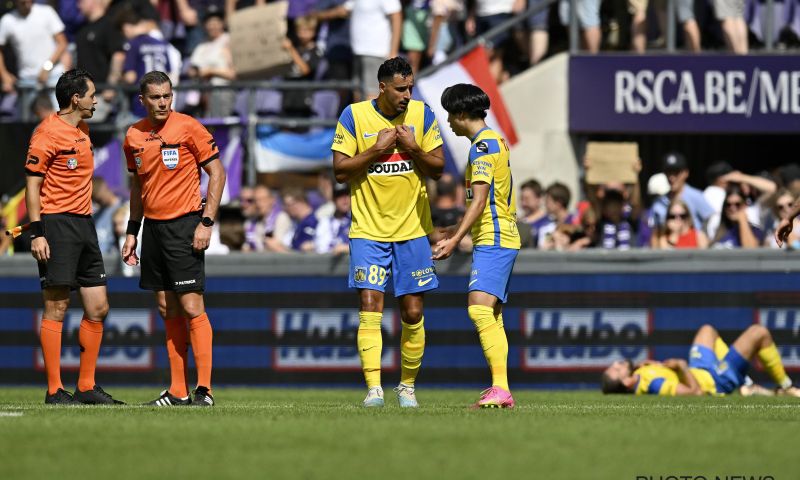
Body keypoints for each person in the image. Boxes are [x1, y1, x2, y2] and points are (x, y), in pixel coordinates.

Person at [331, 56, 444, 407]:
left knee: (412, 313)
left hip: (412, 230)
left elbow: (438, 169)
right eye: (400, 89)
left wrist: (412, 148)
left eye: (410, 87)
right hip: (367, 229)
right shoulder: (354, 115)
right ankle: (374, 389)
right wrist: (375, 150)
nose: (407, 94)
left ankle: (407, 387)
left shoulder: (422, 115)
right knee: (370, 308)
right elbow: (339, 171)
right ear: (382, 87)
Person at [121, 70, 226, 407]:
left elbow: (217, 172)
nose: (163, 102)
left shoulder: (188, 127)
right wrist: (131, 232)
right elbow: (138, 187)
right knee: (167, 307)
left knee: (192, 305)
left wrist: (206, 222)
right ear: (143, 100)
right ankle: (178, 391)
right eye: (156, 97)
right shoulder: (133, 136)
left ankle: (205, 390)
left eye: (167, 95)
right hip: (152, 229)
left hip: (185, 225)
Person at [24, 69, 122, 405]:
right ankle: (54, 390)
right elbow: (32, 186)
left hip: (85, 225)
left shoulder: (83, 129)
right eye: (92, 94)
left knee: (99, 307)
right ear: (75, 98)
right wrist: (37, 233)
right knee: (57, 306)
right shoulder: (46, 134)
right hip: (56, 225)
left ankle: (85, 386)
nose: (96, 99)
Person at [433, 83, 520, 408]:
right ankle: (500, 388)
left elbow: (481, 199)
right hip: (498, 236)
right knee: (491, 314)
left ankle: (501, 388)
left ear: (461, 113)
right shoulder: (494, 141)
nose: (449, 123)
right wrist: (455, 228)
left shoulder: (482, 147)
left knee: (479, 308)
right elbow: (489, 199)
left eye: (449, 115)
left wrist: (455, 240)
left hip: (495, 239)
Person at [602, 323, 800, 397]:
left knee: (707, 330)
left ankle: (745, 384)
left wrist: (654, 365)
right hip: (714, 380)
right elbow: (694, 392)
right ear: (627, 382)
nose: (618, 363)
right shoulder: (654, 385)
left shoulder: (639, 373)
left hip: (701, 368)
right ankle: (786, 386)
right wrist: (680, 366)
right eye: (617, 370)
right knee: (759, 333)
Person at [709, 185, 763, 249]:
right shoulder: (717, 230)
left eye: (737, 204)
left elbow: (751, 251)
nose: (732, 208)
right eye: (728, 205)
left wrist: (742, 219)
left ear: (744, 206)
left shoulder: (755, 231)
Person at [315, 182, 351, 254]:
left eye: (347, 194)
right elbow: (321, 248)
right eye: (340, 196)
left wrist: (347, 248)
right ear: (334, 200)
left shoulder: (358, 220)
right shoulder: (325, 222)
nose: (344, 199)